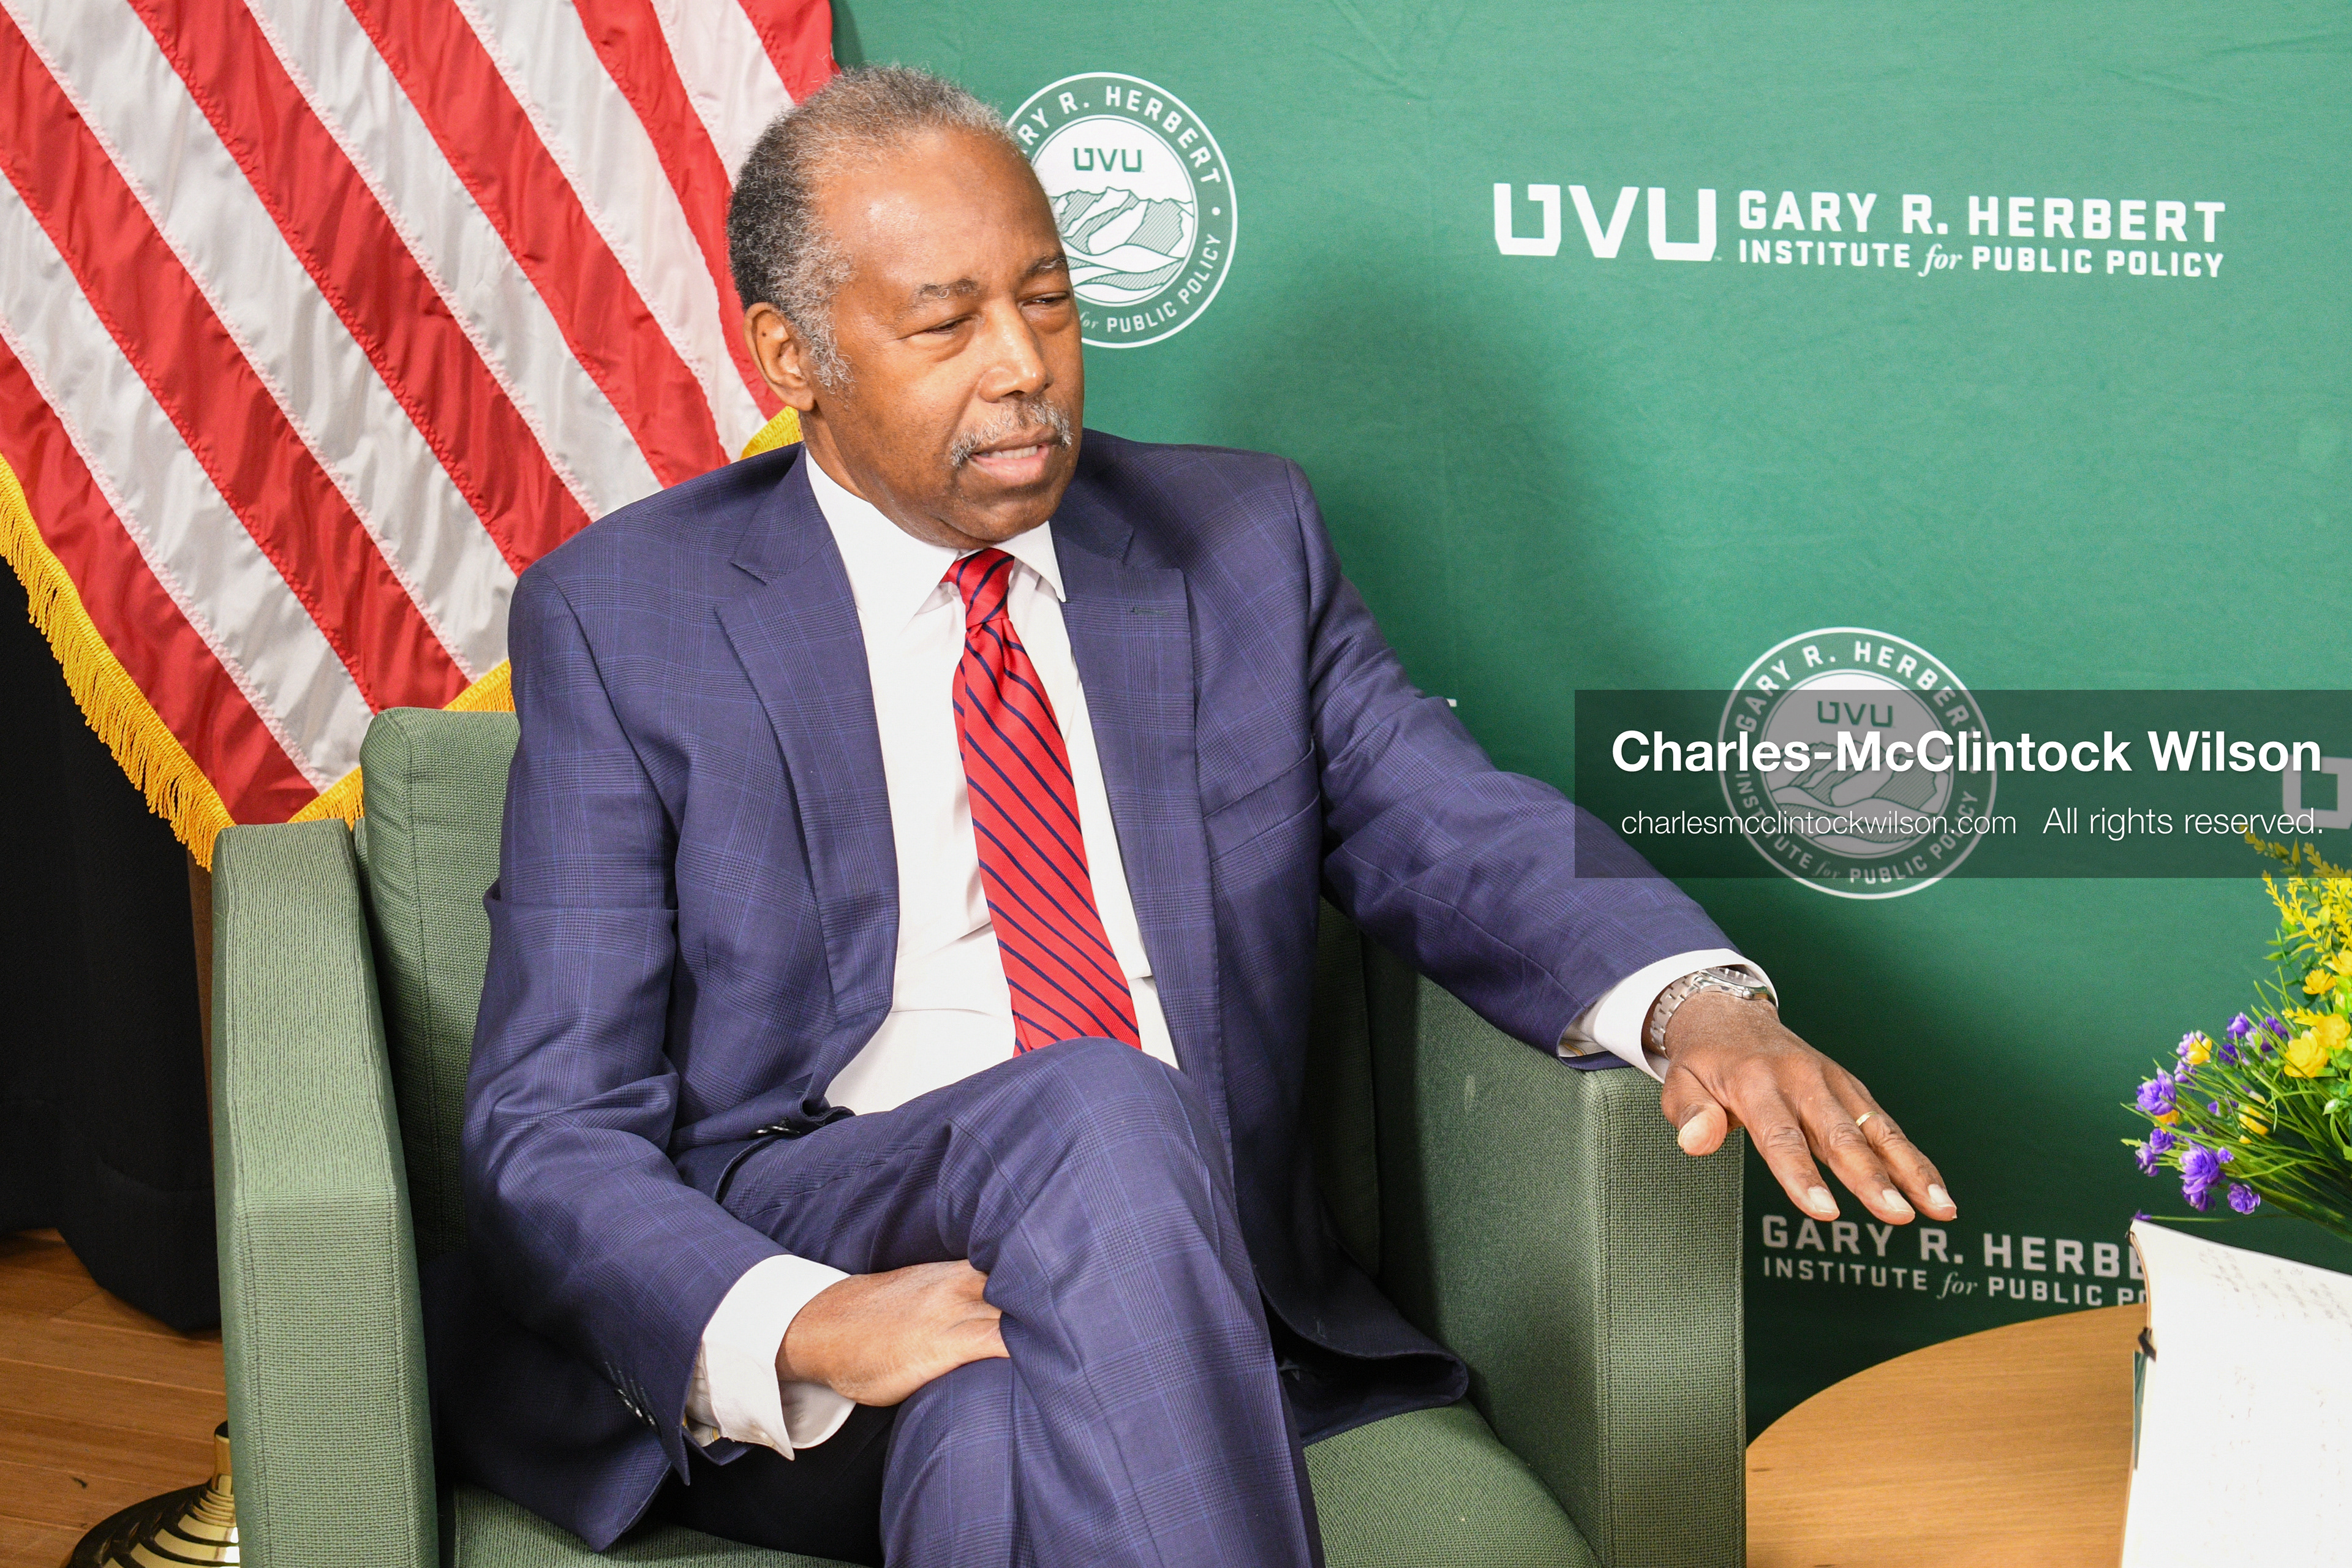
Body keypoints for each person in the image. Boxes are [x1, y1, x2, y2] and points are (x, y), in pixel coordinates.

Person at [425, 64, 1955, 1568]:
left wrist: (1694, 1000)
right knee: (1096, 1101)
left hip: (1165, 1268)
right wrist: (805, 1315)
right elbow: (551, 1116)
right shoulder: (630, 616)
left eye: (1049, 300)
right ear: (792, 355)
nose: (1022, 365)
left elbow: (1451, 820)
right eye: (946, 324)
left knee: (991, 1427)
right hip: (814, 1234)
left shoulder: (1237, 541)